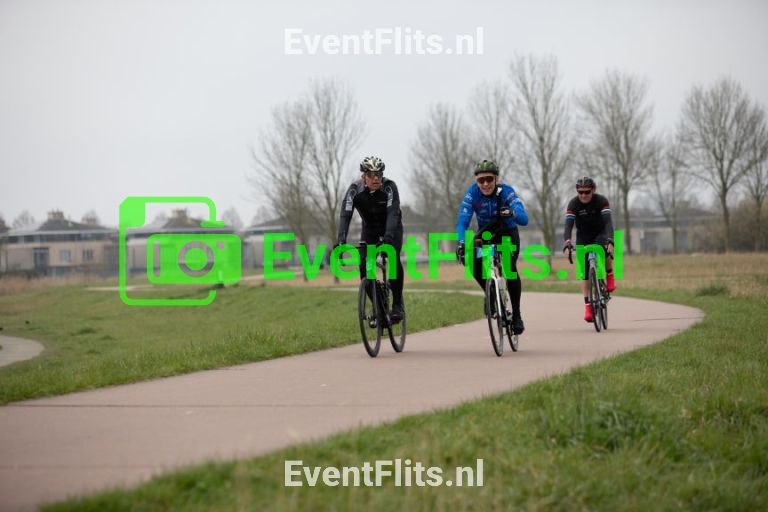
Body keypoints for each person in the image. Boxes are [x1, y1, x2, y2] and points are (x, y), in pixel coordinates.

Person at [455, 159, 529, 335]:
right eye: (481, 180)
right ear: (476, 182)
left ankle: (516, 316)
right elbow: (462, 221)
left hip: (507, 233)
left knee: (509, 268)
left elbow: (524, 219)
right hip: (486, 234)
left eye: (489, 179)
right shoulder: (472, 194)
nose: (485, 184)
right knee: (471, 259)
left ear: (496, 179)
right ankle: (490, 293)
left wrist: (512, 212)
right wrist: (461, 242)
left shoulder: (506, 192)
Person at [337, 156, 405, 322]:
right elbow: (345, 215)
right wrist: (341, 241)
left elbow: (393, 213)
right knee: (365, 265)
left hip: (392, 228)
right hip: (370, 231)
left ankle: (397, 305)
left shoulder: (389, 187)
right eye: (371, 174)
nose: (375, 178)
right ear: (363, 177)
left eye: (379, 174)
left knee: (392, 257)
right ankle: (377, 307)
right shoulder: (354, 190)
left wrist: (388, 237)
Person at [562, 176, 616, 323]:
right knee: (584, 271)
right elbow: (568, 226)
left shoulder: (601, 201)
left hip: (600, 233)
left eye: (587, 192)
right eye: (580, 192)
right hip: (583, 236)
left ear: (593, 190)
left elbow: (608, 222)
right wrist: (567, 243)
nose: (583, 195)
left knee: (605, 248)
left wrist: (610, 239)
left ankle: (609, 274)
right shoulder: (573, 204)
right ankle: (587, 306)